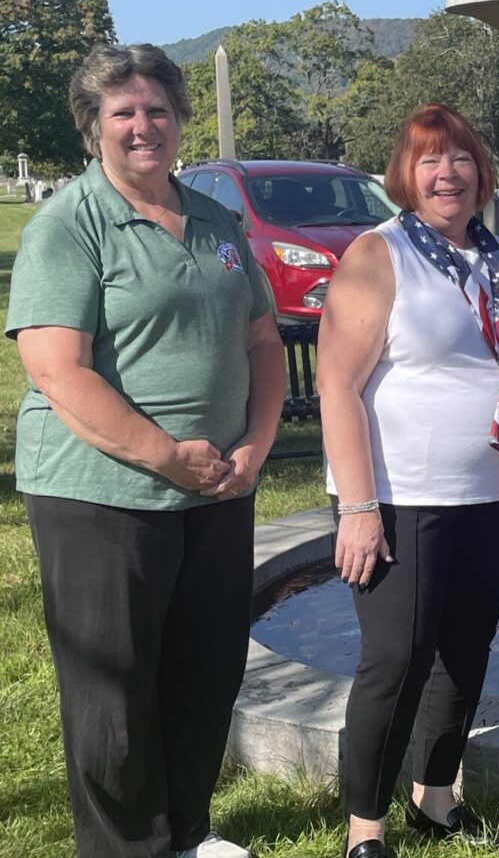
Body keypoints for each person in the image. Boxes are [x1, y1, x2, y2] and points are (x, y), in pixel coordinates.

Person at [7, 43, 285, 858]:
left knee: (205, 672)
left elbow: (263, 341)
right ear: (93, 127)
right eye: (122, 112)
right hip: (100, 495)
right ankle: (127, 847)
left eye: (157, 109)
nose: (143, 126)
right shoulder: (70, 225)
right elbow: (57, 370)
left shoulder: (215, 221)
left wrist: (256, 445)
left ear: (179, 119)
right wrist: (167, 456)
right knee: (115, 692)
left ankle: (187, 833)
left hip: (218, 488)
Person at [317, 104, 499, 858]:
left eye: (461, 158)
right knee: (396, 661)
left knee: (465, 651)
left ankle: (435, 800)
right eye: (429, 161)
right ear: (405, 175)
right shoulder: (379, 254)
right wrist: (357, 507)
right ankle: (365, 830)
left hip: (496, 493)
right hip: (402, 497)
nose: (447, 174)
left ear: (482, 171)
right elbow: (337, 386)